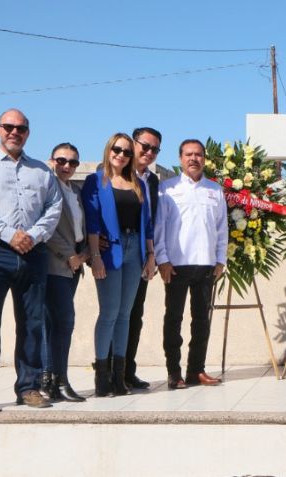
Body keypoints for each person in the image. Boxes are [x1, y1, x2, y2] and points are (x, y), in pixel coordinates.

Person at [0, 109, 62, 412]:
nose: (14, 132)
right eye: (9, 126)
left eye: (21, 128)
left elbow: (53, 208)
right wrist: (8, 234)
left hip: (33, 253)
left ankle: (28, 387)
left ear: (28, 132)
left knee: (32, 324)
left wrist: (33, 235)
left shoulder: (42, 171)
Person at [82, 133, 156, 397]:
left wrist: (151, 255)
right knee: (109, 313)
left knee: (125, 315)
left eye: (126, 152)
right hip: (108, 250)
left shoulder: (138, 183)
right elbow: (92, 223)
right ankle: (102, 378)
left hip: (134, 250)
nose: (121, 155)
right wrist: (94, 256)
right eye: (117, 149)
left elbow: (147, 224)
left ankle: (119, 377)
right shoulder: (95, 181)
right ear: (108, 149)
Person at [155, 139, 228, 389]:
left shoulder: (215, 190)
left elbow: (221, 228)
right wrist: (162, 260)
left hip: (206, 265)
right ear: (180, 158)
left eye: (198, 154)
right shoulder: (167, 188)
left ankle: (196, 370)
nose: (193, 158)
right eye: (188, 154)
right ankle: (174, 373)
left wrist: (220, 260)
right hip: (176, 265)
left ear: (204, 159)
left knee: (201, 322)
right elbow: (159, 227)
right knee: (173, 319)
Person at [43, 143, 90, 402]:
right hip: (55, 264)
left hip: (73, 265)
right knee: (62, 322)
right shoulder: (47, 187)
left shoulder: (75, 191)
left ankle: (53, 379)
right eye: (62, 160)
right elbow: (47, 228)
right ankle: (55, 379)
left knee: (59, 324)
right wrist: (69, 255)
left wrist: (83, 254)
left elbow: (80, 228)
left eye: (73, 162)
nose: (67, 166)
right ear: (52, 161)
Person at [124, 126, 162, 390]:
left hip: (143, 253)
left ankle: (128, 371)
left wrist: (152, 255)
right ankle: (109, 372)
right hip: (119, 253)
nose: (149, 152)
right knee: (116, 315)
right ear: (133, 143)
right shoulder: (116, 173)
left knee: (135, 315)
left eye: (155, 149)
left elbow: (153, 220)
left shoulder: (153, 180)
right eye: (145, 146)